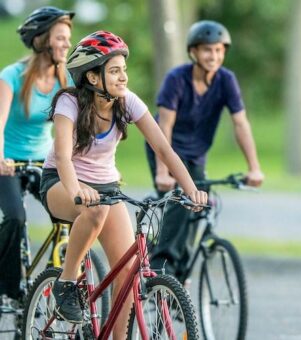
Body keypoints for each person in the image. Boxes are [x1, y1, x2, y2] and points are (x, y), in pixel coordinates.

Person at [40, 31, 208, 338]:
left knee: (128, 272)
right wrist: (77, 189)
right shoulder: (69, 103)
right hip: (61, 183)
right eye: (114, 70)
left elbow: (164, 149)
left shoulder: (126, 102)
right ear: (92, 77)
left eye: (124, 70)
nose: (123, 77)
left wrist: (189, 187)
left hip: (107, 189)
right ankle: (66, 283)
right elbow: (63, 157)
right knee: (94, 212)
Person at [145, 20, 263, 282]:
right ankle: (161, 268)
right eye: (208, 50)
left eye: (219, 50)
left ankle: (178, 278)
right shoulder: (176, 79)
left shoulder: (226, 80)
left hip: (196, 154)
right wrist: (163, 172)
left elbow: (240, 123)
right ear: (194, 52)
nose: (214, 56)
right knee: (179, 200)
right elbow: (165, 125)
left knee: (197, 205)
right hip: (166, 148)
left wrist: (254, 167)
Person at [0, 6, 73, 301]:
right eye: (61, 38)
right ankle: (10, 286)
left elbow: (73, 127)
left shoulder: (64, 79)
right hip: (8, 161)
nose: (67, 44)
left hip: (45, 160)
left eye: (68, 38)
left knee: (70, 215)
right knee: (15, 218)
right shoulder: (12, 76)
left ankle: (64, 281)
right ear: (41, 40)